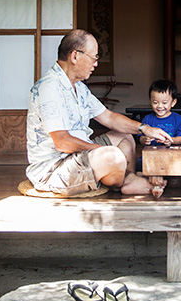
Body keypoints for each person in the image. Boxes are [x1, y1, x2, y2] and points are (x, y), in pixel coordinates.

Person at [25, 29, 171, 196]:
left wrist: (145, 128)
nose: (96, 63)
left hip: (80, 156)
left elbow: (108, 117)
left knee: (125, 136)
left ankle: (124, 180)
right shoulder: (49, 88)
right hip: (56, 169)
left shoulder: (79, 87)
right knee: (113, 156)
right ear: (75, 56)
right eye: (93, 57)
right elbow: (62, 142)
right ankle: (128, 180)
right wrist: (101, 151)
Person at [138, 79, 181, 148]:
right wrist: (144, 140)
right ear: (150, 101)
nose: (160, 106)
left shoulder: (178, 119)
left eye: (164, 103)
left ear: (173, 102)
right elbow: (140, 137)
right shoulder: (147, 119)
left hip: (170, 154)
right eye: (155, 102)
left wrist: (172, 140)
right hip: (151, 154)